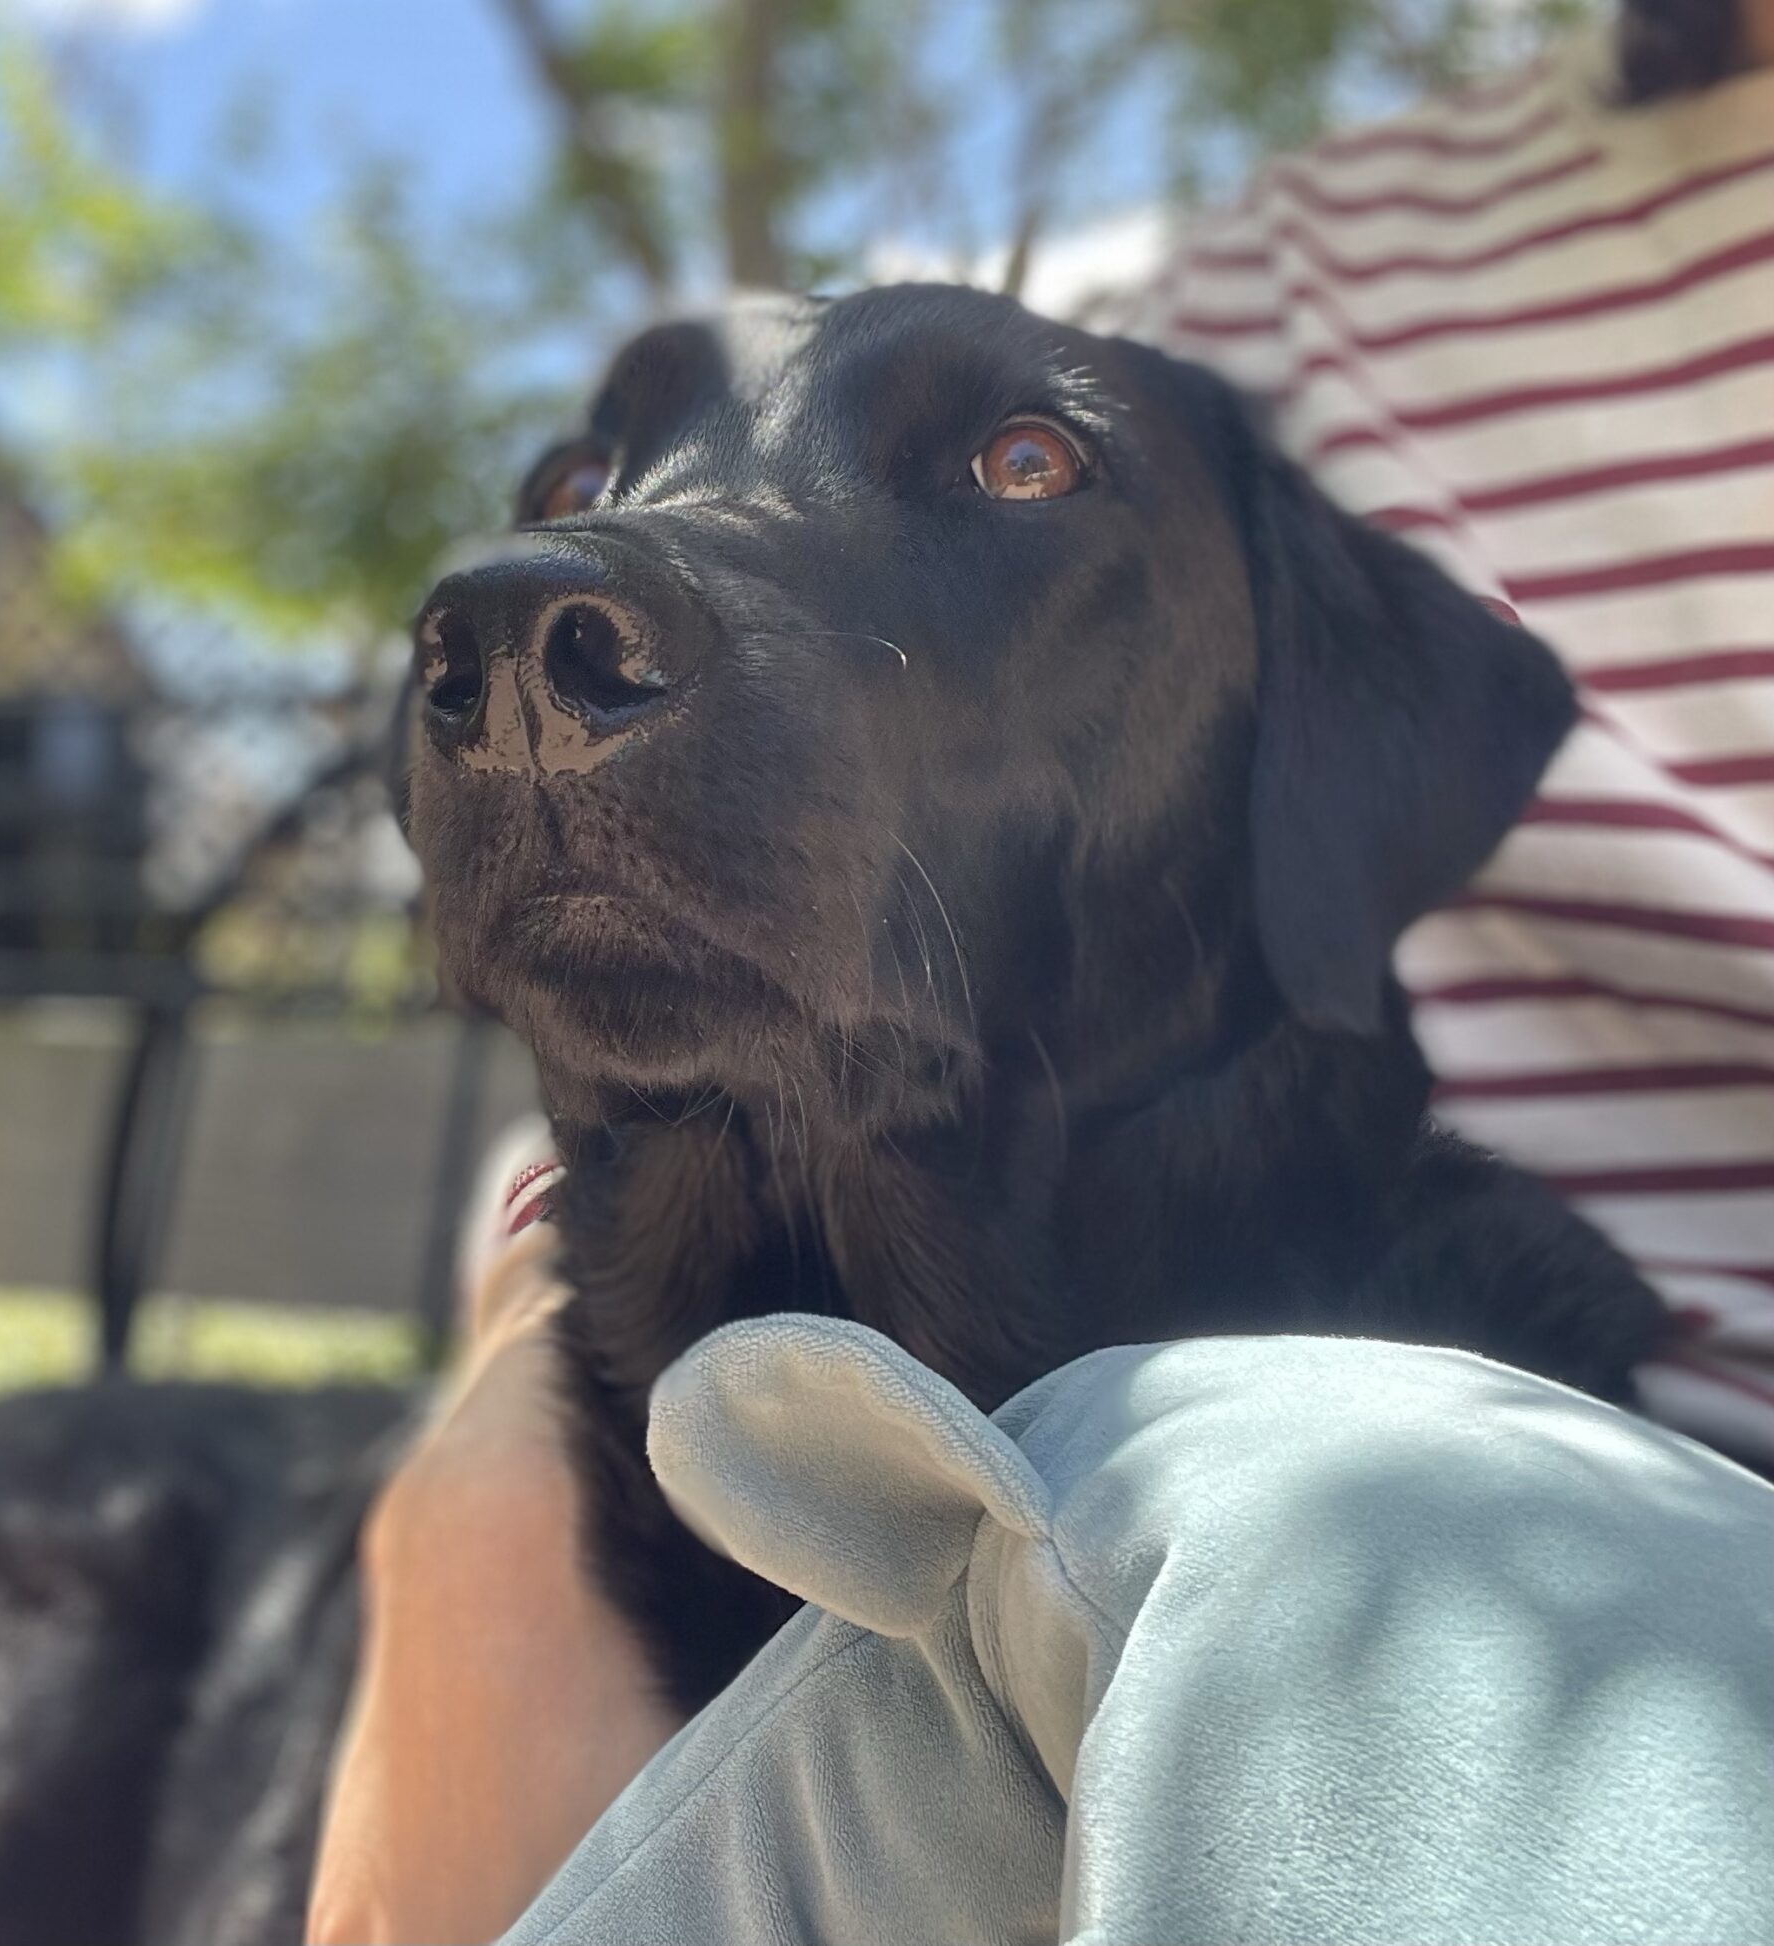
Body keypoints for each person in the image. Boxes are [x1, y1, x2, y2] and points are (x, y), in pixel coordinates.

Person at [307, 3, 1774, 1941]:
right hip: (867, 1538)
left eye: (1011, 468)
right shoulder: (1301, 264)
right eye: (589, 489)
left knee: (1334, 1516)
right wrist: (505, 1495)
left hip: (1459, 1527)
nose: (568, 606)